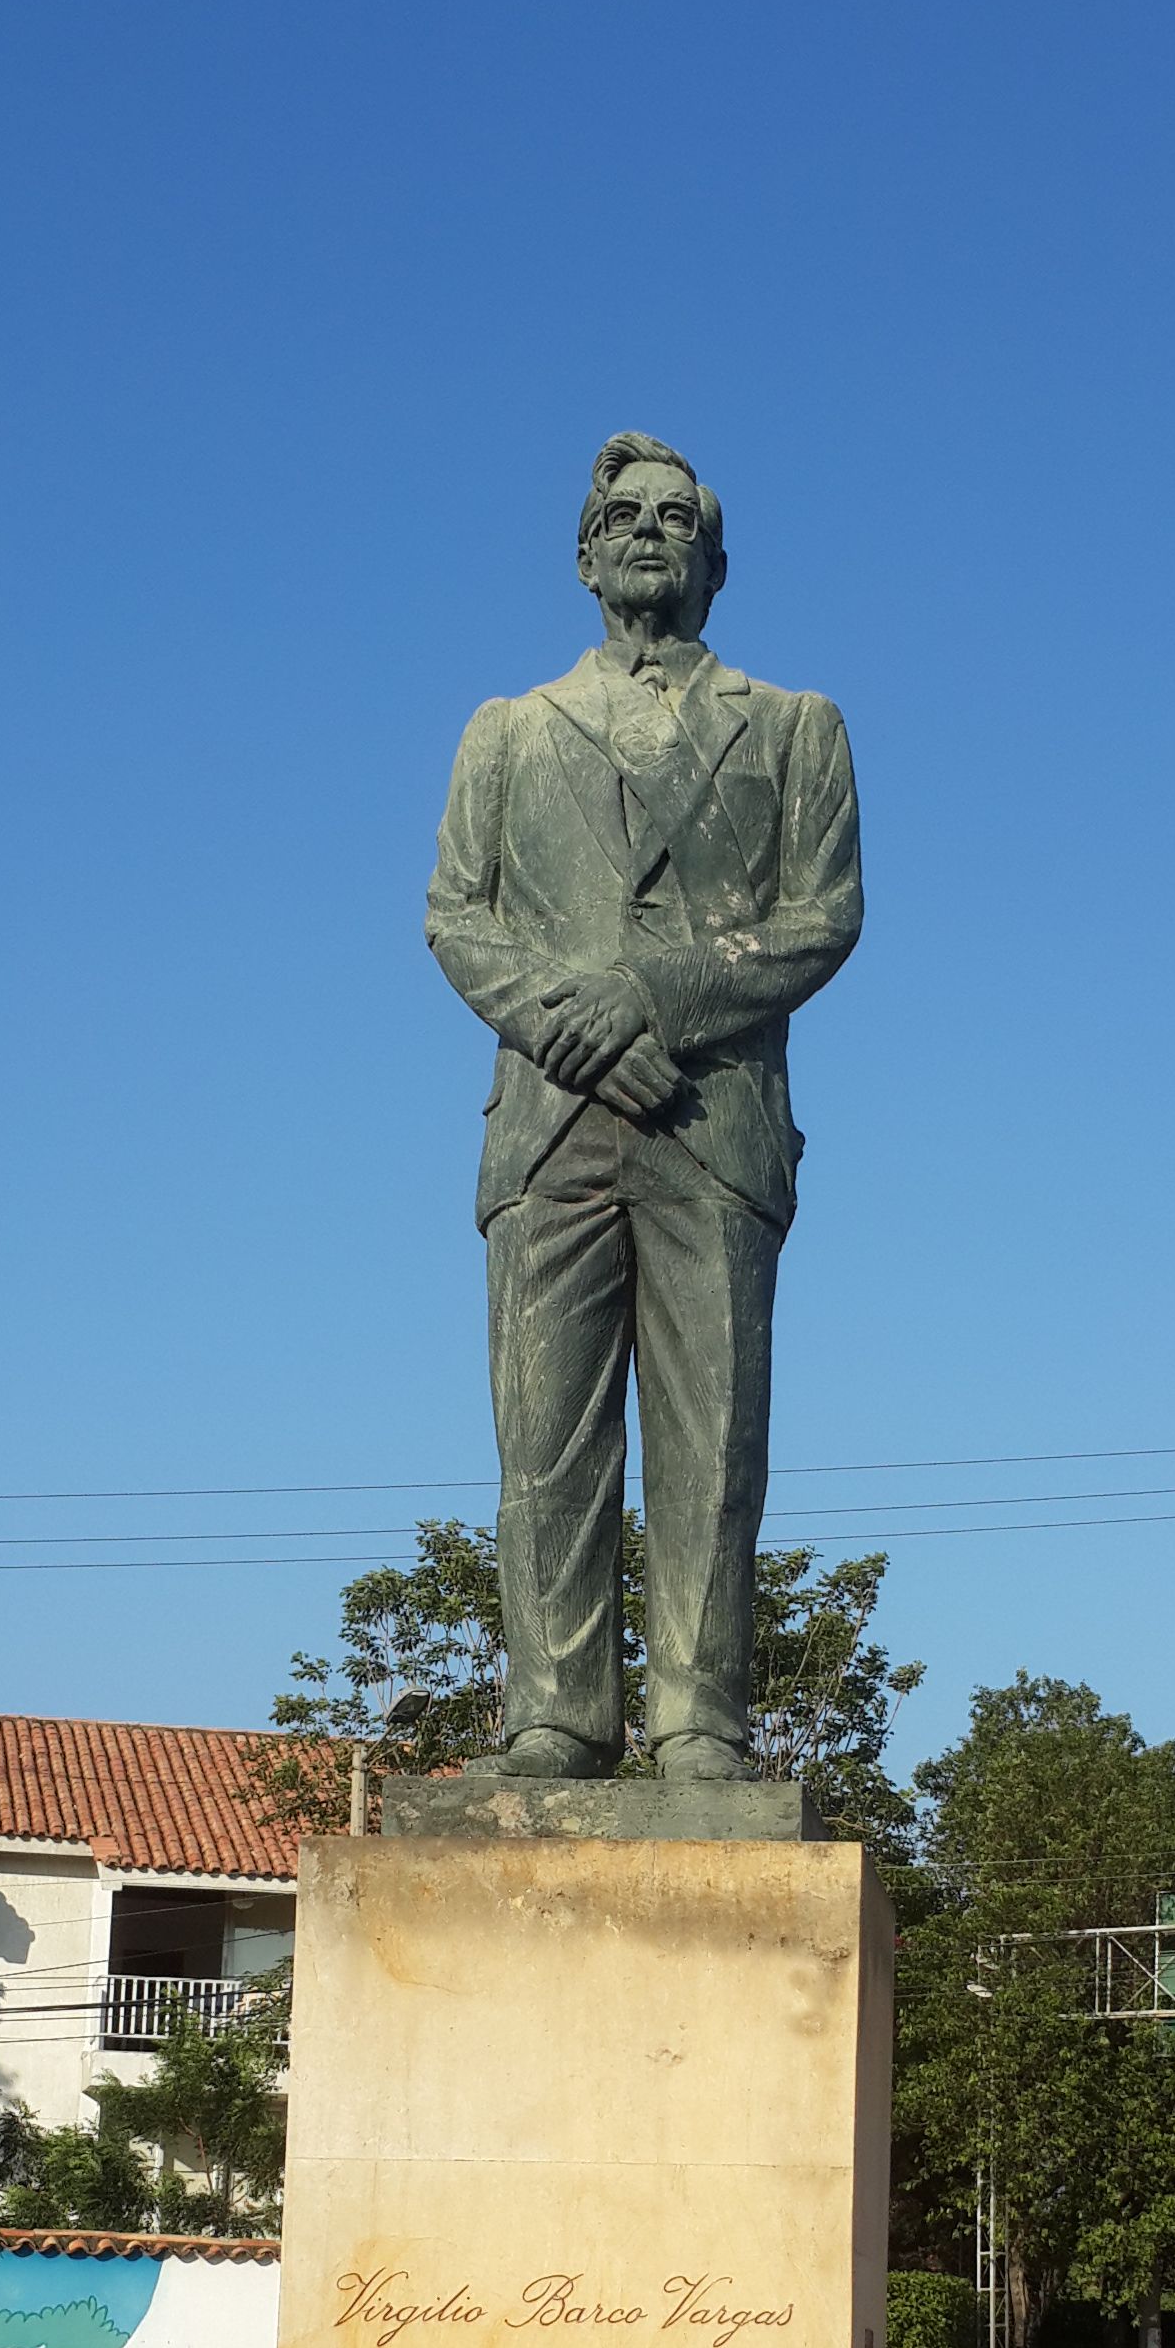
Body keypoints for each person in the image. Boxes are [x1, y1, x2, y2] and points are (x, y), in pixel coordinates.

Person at [426, 433, 863, 1777]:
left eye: (680, 518)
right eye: (626, 515)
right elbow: (456, 914)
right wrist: (572, 1026)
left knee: (710, 1443)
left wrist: (653, 1006)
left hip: (712, 1117)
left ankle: (697, 1718)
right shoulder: (504, 731)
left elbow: (822, 917)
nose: (652, 533)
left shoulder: (795, 727)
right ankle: (555, 1710)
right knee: (545, 1444)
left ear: (718, 564)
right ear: (582, 551)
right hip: (549, 1120)